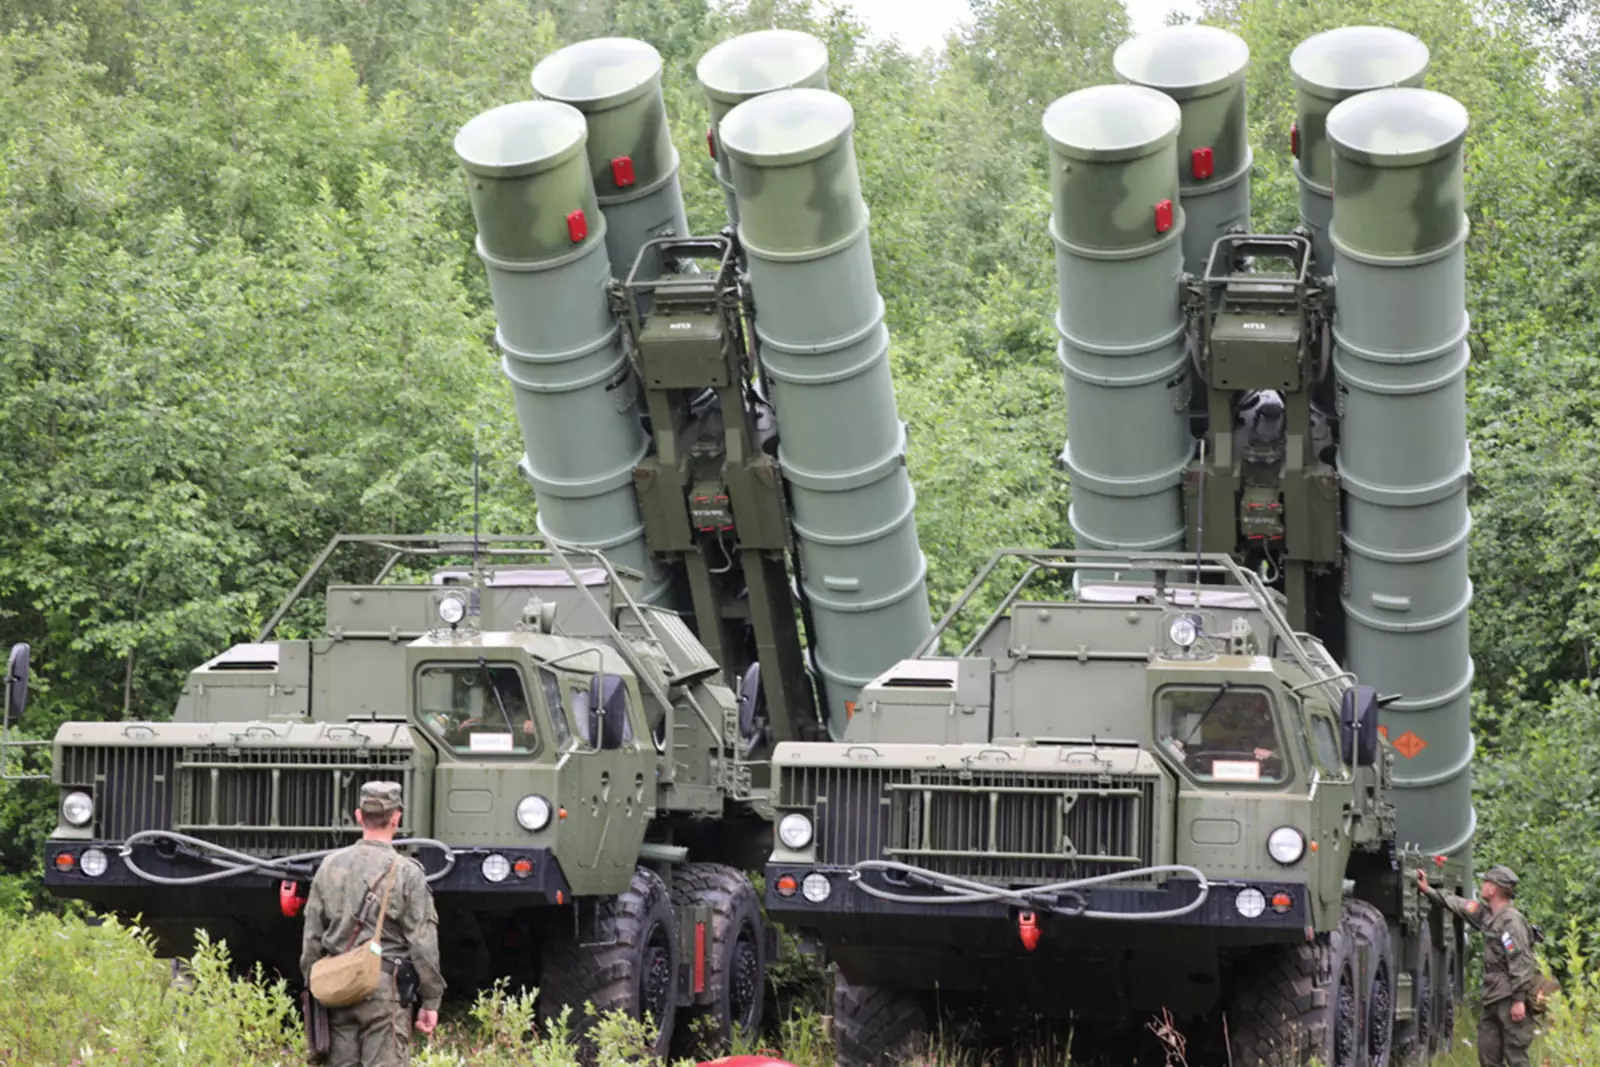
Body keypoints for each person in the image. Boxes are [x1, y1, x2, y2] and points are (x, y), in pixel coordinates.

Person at [301, 781, 446, 1066]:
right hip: (384, 990)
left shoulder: (329, 866)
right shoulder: (407, 873)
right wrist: (431, 1000)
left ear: (358, 816)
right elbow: (423, 944)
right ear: (396, 818)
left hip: (336, 989)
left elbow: (312, 939)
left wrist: (314, 987)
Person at [1416, 864, 1537, 1067]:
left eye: (1486, 882)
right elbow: (1460, 905)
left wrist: (1519, 1000)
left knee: (1516, 1057)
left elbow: (1520, 961)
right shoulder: (1489, 915)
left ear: (1494, 889)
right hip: (1493, 997)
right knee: (1487, 1054)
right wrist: (1428, 890)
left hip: (1509, 997)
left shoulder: (1511, 922)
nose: (1483, 885)